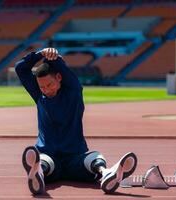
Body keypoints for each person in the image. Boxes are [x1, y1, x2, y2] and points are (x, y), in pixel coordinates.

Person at [15, 48, 137, 195]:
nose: (46, 90)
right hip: (50, 158)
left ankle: (107, 173)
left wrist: (53, 57)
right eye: (42, 87)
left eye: (50, 85)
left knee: (95, 157)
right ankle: (38, 172)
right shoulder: (39, 95)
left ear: (59, 77)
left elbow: (65, 72)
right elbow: (20, 68)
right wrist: (40, 54)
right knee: (45, 161)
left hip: (76, 159)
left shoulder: (74, 92)